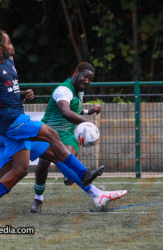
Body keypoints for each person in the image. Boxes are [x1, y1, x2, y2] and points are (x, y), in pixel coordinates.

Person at [0, 29, 113, 220]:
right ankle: (83, 174)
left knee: (20, 171)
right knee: (52, 135)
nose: (12, 45)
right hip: (11, 122)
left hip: (14, 121)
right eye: (8, 42)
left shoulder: (10, 63)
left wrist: (21, 93)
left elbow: (5, 90)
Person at [31, 62, 126, 213]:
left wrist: (88, 112)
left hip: (68, 133)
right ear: (76, 72)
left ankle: (71, 176)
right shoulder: (63, 89)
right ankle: (38, 199)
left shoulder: (79, 90)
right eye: (85, 77)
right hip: (48, 132)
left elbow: (74, 109)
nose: (87, 81)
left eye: (90, 79)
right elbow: (65, 111)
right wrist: (87, 123)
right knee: (43, 163)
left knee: (68, 157)